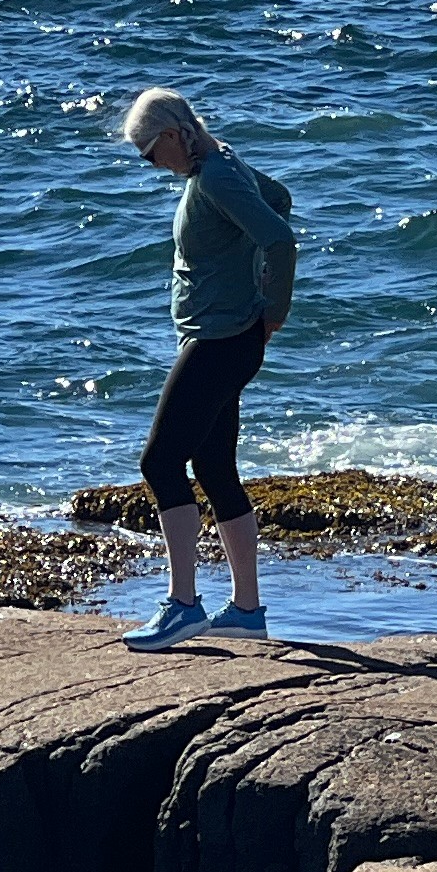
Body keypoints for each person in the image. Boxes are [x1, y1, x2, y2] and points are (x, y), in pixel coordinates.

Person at [118, 84, 297, 649]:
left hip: (221, 340)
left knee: (160, 463)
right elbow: (280, 197)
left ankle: (183, 605)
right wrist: (235, 272)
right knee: (215, 468)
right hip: (226, 335)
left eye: (150, 151)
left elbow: (279, 237)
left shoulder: (215, 176)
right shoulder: (221, 166)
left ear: (173, 134)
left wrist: (272, 309)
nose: (150, 164)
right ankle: (247, 610)